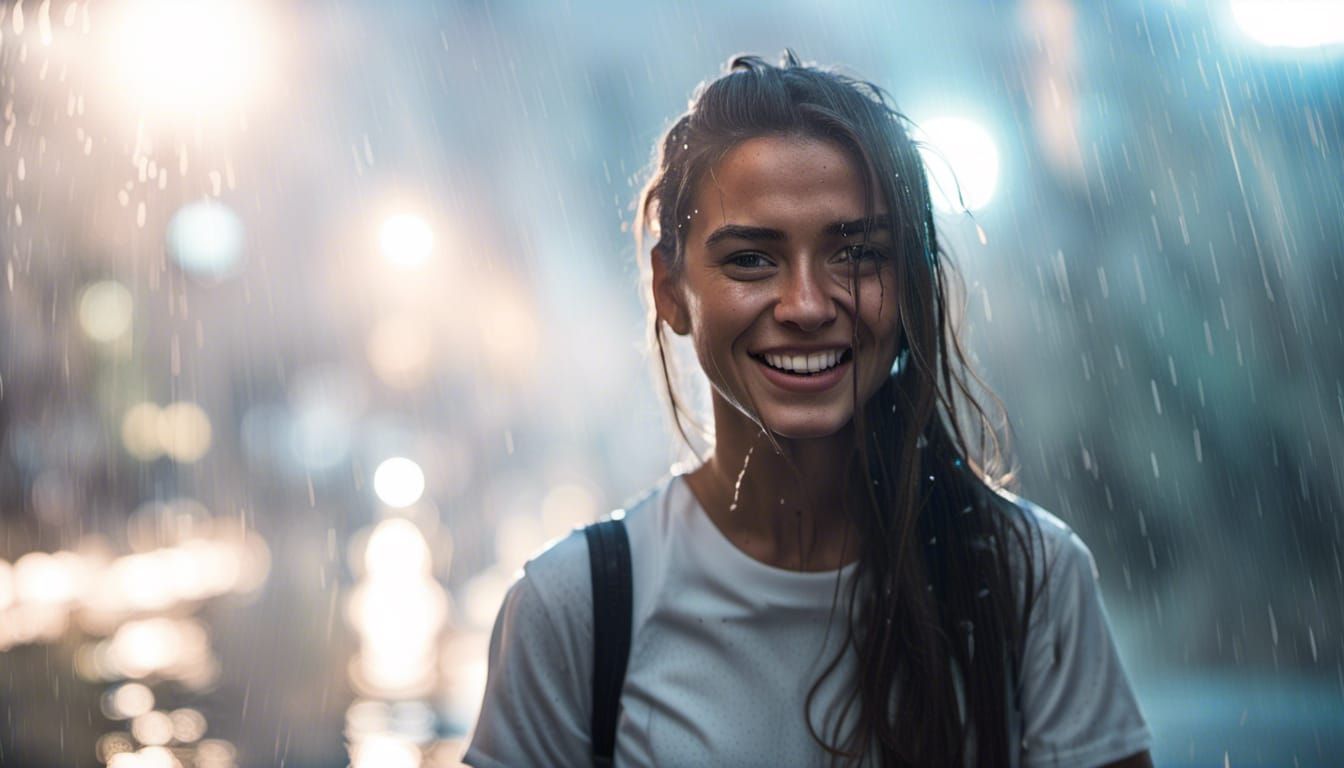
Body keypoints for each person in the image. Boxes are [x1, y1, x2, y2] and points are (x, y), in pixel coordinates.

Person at [464, 52, 1154, 768]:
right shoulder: (579, 609)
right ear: (669, 289)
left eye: (856, 255)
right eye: (751, 260)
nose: (806, 305)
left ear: (912, 282)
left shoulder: (1026, 577)